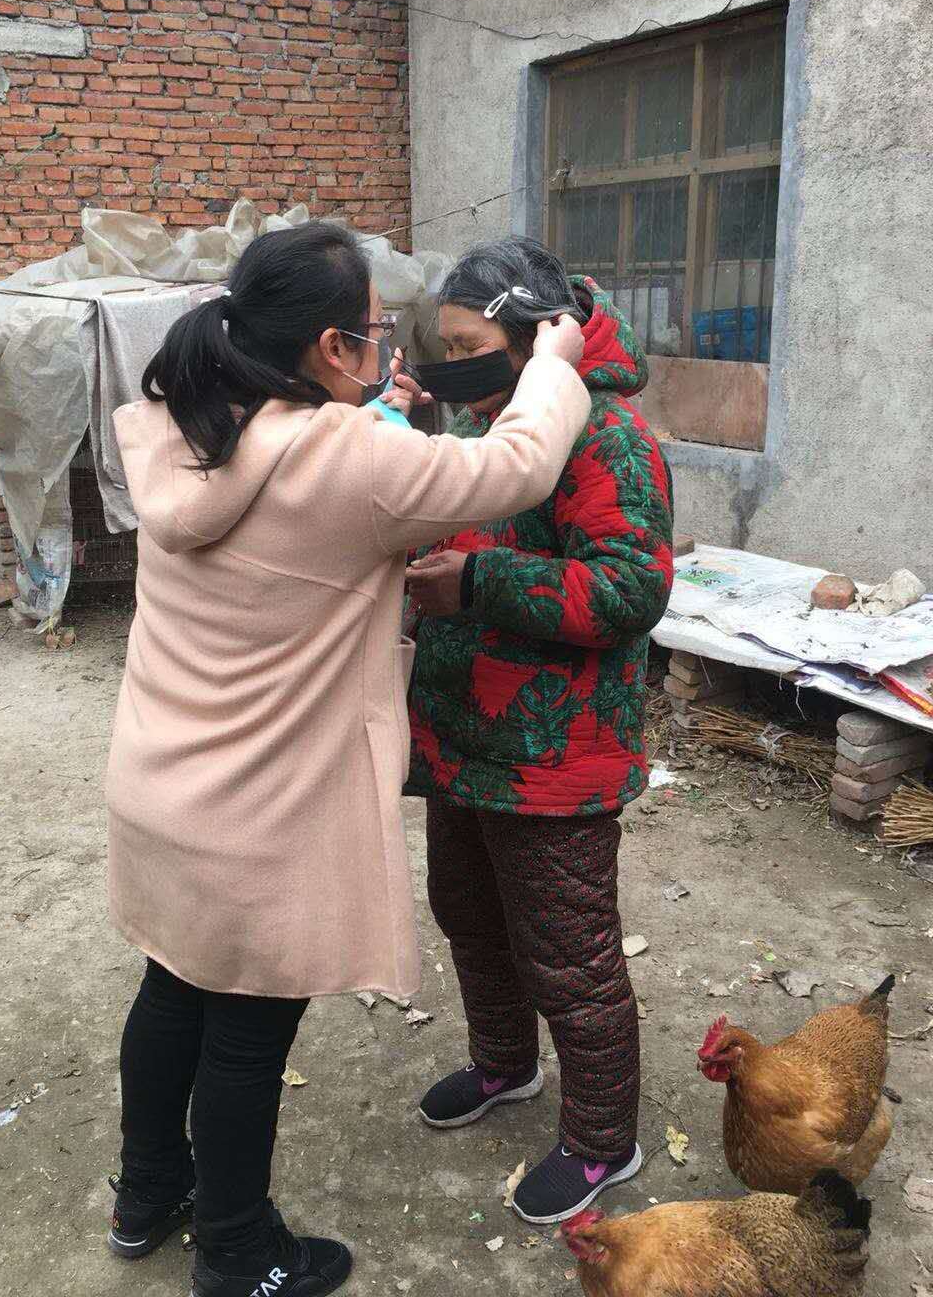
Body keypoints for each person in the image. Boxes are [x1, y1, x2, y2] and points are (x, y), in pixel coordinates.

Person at [104, 221, 593, 1297]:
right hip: (257, 815)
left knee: (172, 992)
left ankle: (147, 1196)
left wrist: (379, 420)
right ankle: (238, 1250)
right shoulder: (351, 463)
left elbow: (306, 479)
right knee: (246, 1029)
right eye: (372, 329)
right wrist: (554, 367)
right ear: (331, 347)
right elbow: (514, 466)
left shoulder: (187, 420)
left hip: (159, 787)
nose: (386, 344)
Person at [405, 237, 674, 1226]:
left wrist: (477, 580)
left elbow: (631, 590)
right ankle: (503, 1064)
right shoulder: (489, 417)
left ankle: (603, 1142)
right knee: (469, 914)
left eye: (470, 346)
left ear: (529, 337)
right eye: (446, 347)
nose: (456, 365)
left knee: (571, 956)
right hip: (464, 736)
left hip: (555, 755)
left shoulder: (606, 437)